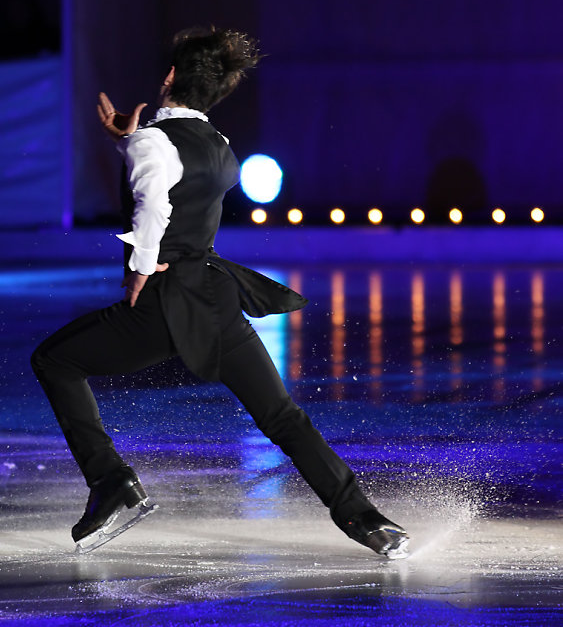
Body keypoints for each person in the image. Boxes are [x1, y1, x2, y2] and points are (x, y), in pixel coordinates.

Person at [31, 27, 409, 558]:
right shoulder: (219, 146)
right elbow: (173, 176)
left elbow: (155, 207)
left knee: (53, 360)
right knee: (282, 417)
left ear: (168, 78)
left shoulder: (154, 143)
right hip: (215, 296)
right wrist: (129, 143)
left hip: (165, 300)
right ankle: (367, 520)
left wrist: (138, 270)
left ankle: (112, 483)